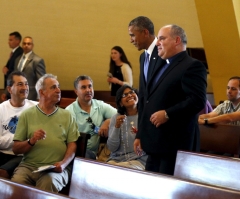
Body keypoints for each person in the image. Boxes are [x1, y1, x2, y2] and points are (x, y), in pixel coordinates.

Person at [131, 23, 207, 175]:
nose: (157, 42)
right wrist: (141, 135)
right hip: (155, 142)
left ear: (177, 40)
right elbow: (148, 100)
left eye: (162, 38)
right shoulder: (164, 64)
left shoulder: (192, 65)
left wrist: (168, 113)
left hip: (174, 144)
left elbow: (197, 100)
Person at [11, 74, 79, 193]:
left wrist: (63, 164)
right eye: (53, 87)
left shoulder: (67, 115)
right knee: (17, 183)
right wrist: (31, 141)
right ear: (41, 92)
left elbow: (72, 145)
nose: (58, 90)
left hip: (55, 169)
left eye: (58, 87)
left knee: (48, 182)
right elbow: (16, 149)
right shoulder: (27, 115)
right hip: (28, 167)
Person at [66, 75, 117, 159]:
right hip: (76, 151)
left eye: (90, 86)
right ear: (76, 91)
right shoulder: (70, 111)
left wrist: (107, 122)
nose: (88, 90)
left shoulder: (100, 105)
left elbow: (120, 115)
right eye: (83, 87)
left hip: (93, 153)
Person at [0, 71, 38, 179]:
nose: (25, 87)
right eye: (20, 84)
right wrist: (20, 141)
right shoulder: (1, 109)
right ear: (9, 89)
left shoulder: (36, 108)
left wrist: (23, 143)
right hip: (2, 153)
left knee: (2, 172)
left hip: (23, 156)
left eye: (26, 84)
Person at [107, 85, 147, 170]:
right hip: (116, 160)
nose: (130, 95)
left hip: (138, 159)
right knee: (105, 170)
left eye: (132, 92)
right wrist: (116, 127)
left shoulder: (145, 115)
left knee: (118, 170)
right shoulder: (116, 118)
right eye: (125, 95)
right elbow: (112, 147)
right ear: (120, 103)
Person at [14, 36, 46, 101]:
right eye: (24, 43)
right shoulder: (17, 59)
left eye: (28, 44)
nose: (26, 45)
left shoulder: (37, 60)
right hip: (17, 95)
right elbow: (14, 77)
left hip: (31, 95)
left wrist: (39, 97)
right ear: (22, 45)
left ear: (32, 46)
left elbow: (41, 80)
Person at [1, 31, 23, 101]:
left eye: (11, 40)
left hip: (13, 86)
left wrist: (7, 72)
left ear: (18, 41)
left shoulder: (19, 52)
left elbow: (17, 70)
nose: (8, 42)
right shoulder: (14, 52)